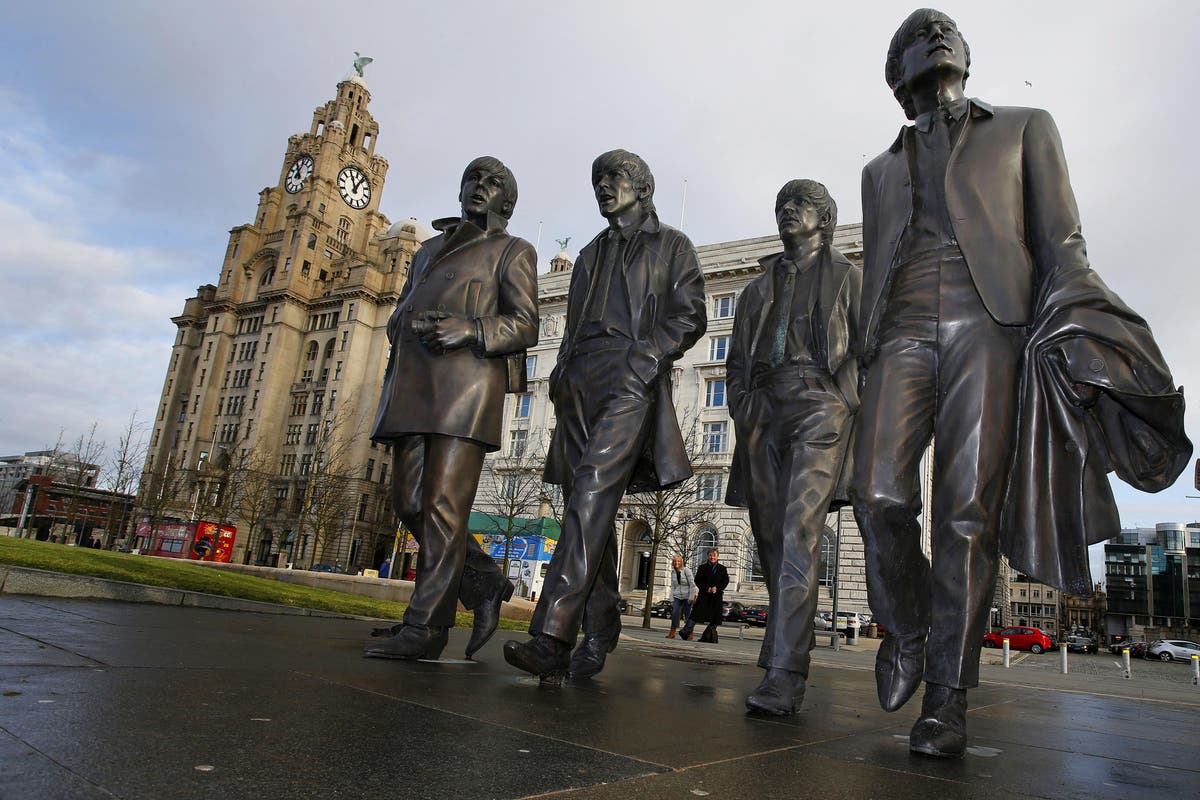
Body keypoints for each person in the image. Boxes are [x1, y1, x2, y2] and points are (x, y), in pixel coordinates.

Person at [851, 9, 1192, 758]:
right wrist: (859, 353)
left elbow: (1061, 241)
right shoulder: (877, 171)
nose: (936, 35)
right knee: (876, 492)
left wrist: (1097, 332)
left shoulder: (1026, 126)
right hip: (901, 330)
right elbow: (874, 270)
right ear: (896, 75)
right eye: (917, 33)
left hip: (991, 327)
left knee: (967, 512)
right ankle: (907, 626)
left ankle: (947, 696)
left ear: (966, 57)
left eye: (946, 31)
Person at [504, 149, 707, 683]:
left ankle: (551, 634)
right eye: (598, 179)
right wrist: (563, 372)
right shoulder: (591, 254)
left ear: (642, 186)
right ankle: (602, 621)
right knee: (582, 499)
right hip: (579, 379)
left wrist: (648, 356)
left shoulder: (672, 245)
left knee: (592, 490)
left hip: (630, 373)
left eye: (614, 177)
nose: (603, 186)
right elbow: (570, 325)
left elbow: (691, 314)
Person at [365, 156, 538, 661]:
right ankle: (482, 579)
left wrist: (471, 329)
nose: (479, 188)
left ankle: (427, 625)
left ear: (507, 201)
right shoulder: (427, 251)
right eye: (472, 180)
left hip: (465, 388)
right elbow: (400, 310)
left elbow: (524, 323)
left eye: (492, 183)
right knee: (409, 503)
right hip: (414, 386)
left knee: (442, 507)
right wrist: (404, 324)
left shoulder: (512, 251)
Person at [725, 179, 860, 715]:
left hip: (819, 403)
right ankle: (781, 647)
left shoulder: (850, 277)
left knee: (799, 530)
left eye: (799, 204)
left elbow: (870, 347)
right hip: (763, 408)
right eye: (781, 204)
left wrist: (843, 398)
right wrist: (742, 403)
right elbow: (736, 358)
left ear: (824, 220)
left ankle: (785, 673)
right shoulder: (758, 288)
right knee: (770, 537)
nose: (786, 211)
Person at [680, 549, 728, 643]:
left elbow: (725, 581)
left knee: (715, 616)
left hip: (716, 596)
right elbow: (697, 580)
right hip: (704, 595)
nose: (712, 557)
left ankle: (708, 635)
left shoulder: (722, 568)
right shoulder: (702, 567)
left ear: (717, 556)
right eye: (710, 555)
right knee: (696, 613)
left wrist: (717, 588)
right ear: (708, 556)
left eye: (714, 555)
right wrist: (707, 588)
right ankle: (686, 631)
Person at [666, 555, 695, 639]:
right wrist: (671, 598)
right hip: (677, 595)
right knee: (675, 612)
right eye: (675, 561)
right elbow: (672, 586)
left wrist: (691, 597)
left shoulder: (686, 570)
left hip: (687, 595)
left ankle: (690, 632)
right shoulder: (673, 572)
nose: (676, 563)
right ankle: (672, 631)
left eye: (678, 561)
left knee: (687, 614)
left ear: (681, 562)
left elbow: (692, 584)